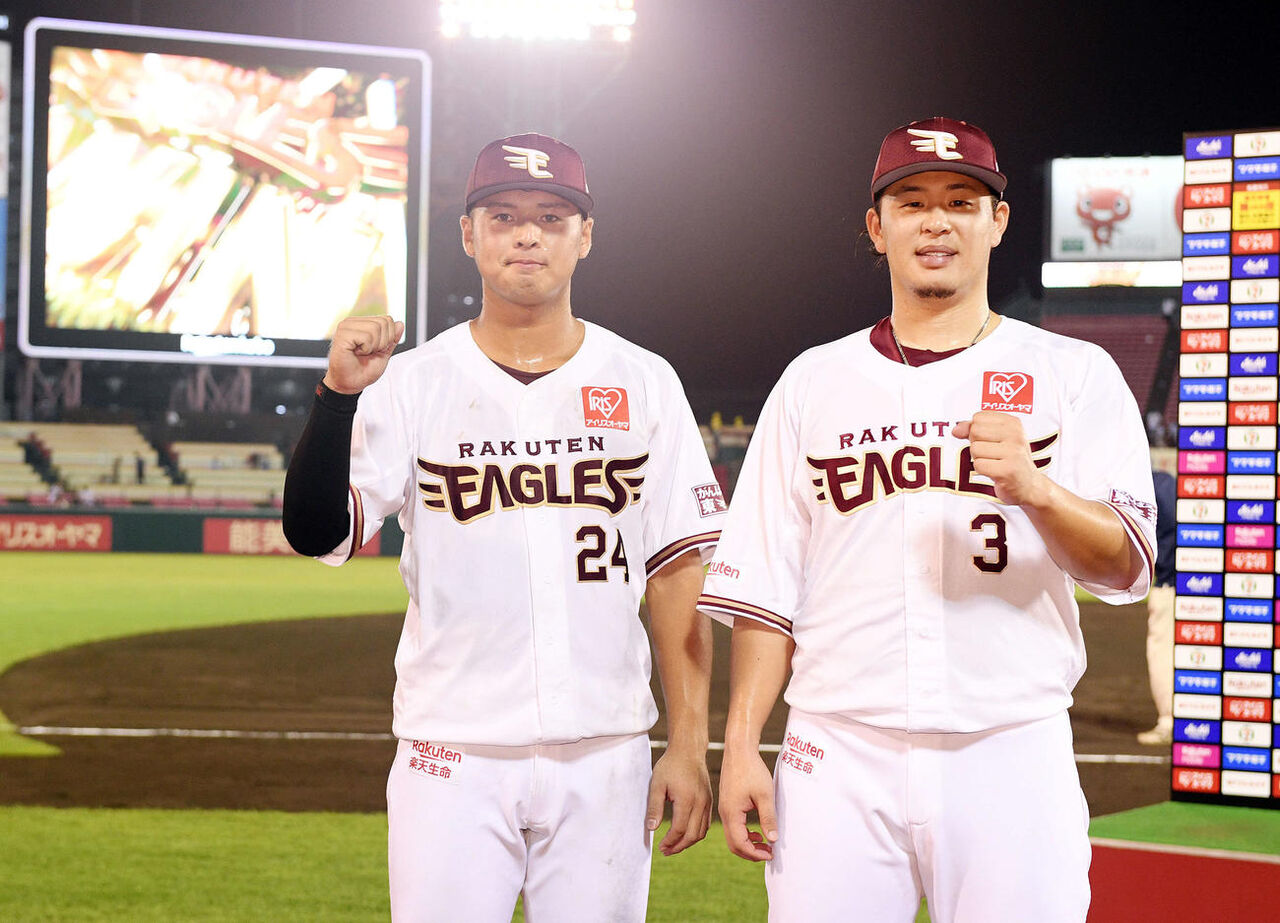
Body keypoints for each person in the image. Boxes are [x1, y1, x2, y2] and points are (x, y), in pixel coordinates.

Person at [700, 117, 1156, 922]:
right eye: (911, 202)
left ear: (997, 222)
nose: (937, 220)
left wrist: (1040, 490)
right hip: (836, 748)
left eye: (961, 200)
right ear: (878, 228)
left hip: (1010, 746)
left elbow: (1125, 567)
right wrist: (741, 745)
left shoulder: (1073, 374)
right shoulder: (813, 381)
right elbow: (766, 586)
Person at [282, 132, 723, 921]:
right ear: (469, 234)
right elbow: (317, 532)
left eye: (553, 217)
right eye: (505, 215)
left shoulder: (644, 380)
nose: (528, 234)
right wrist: (337, 396)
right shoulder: (412, 382)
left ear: (586, 236)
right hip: (451, 754)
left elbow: (677, 573)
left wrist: (688, 745)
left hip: (607, 752)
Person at [1138, 468, 1176, 745]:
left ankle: (1168, 722)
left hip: (1168, 585)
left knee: (1162, 654)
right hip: (1205, 585)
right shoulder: (1167, 483)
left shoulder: (1152, 483)